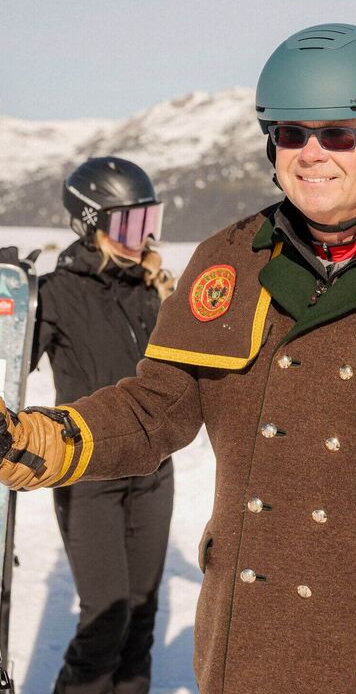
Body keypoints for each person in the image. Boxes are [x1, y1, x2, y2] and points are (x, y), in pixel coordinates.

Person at [0, 24, 356, 694]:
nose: (311, 154)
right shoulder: (230, 259)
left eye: (338, 133)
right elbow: (151, 413)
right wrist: (39, 440)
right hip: (243, 650)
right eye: (291, 133)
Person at [28, 156, 174, 693]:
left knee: (140, 618)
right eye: (127, 224)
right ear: (90, 224)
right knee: (105, 621)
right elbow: (7, 361)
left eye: (147, 221)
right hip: (86, 472)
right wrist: (7, 300)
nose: (142, 238)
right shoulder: (57, 292)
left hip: (155, 471)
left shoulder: (154, 289)